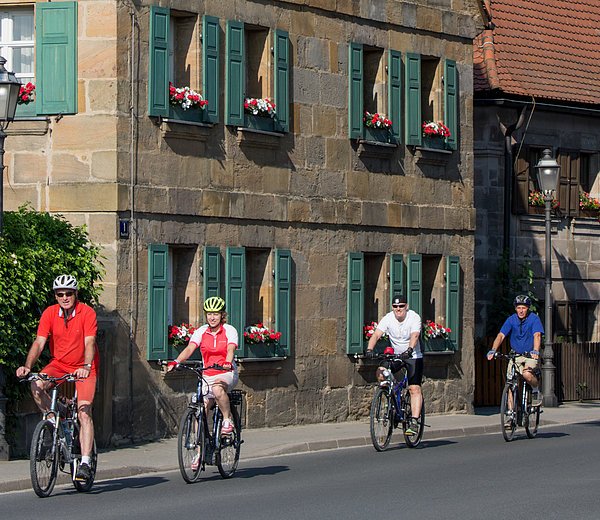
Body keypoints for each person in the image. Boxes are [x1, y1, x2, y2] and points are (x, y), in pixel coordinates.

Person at [16, 274, 99, 482]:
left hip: (84, 368)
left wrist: (87, 367)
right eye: (60, 294)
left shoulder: (86, 313)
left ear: (75, 294)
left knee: (84, 412)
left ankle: (86, 463)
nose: (64, 297)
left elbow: (90, 343)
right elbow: (39, 342)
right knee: (36, 384)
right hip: (59, 365)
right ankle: (56, 421)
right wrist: (27, 366)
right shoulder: (50, 313)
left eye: (69, 293)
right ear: (55, 296)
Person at [167, 296, 239, 469]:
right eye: (209, 314)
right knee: (201, 408)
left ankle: (227, 420)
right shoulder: (201, 331)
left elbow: (230, 348)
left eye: (215, 314)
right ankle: (200, 451)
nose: (212, 317)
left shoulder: (229, 330)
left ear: (222, 315)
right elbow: (190, 348)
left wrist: (228, 362)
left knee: (217, 388)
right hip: (207, 373)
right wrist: (176, 362)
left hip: (226, 372)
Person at [365, 295, 424, 435]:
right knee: (381, 371)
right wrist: (369, 350)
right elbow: (376, 335)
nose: (398, 309)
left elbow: (414, 336)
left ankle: (414, 422)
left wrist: (409, 350)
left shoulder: (414, 318)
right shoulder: (388, 318)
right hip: (396, 356)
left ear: (406, 307)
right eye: (395, 307)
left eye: (401, 306)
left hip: (413, 357)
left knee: (414, 388)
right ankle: (392, 392)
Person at [487, 294, 543, 406]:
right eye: (518, 308)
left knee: (527, 374)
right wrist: (493, 350)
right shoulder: (511, 320)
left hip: (530, 355)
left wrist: (536, 351)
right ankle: (510, 414)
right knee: (510, 383)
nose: (521, 311)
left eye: (523, 308)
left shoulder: (534, 319)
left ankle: (535, 389)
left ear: (528, 308)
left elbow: (537, 335)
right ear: (515, 308)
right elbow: (501, 335)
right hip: (515, 355)